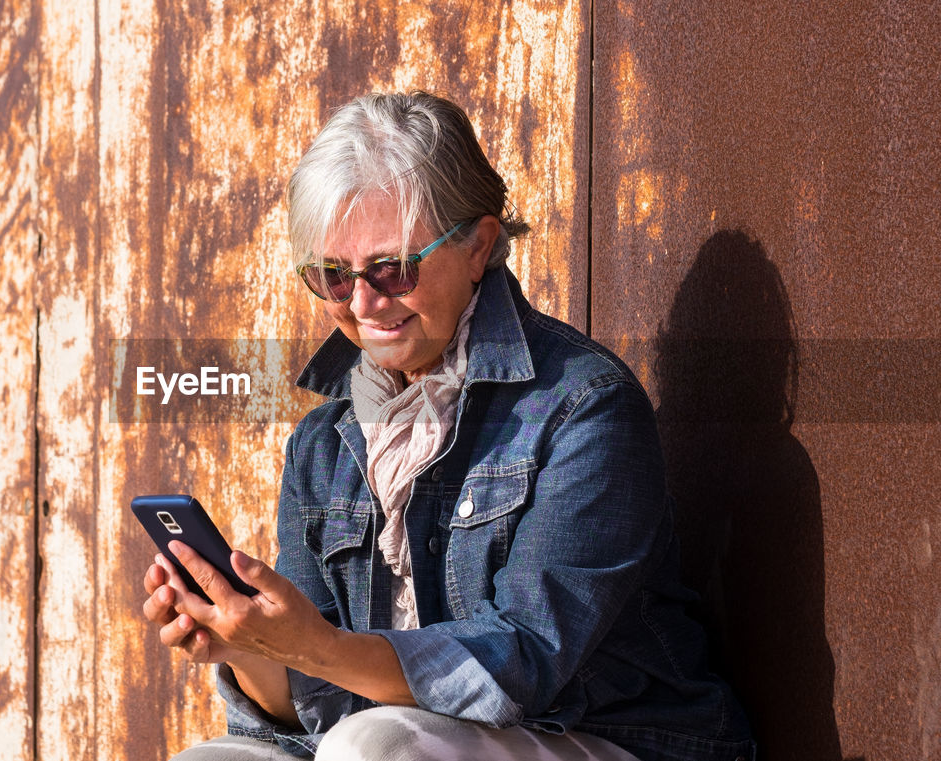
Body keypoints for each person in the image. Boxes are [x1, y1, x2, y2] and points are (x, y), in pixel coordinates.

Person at [141, 91, 755, 761]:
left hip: (605, 738)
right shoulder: (324, 445)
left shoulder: (583, 406)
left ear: (477, 245)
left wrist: (315, 645)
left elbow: (523, 662)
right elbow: (319, 704)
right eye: (332, 276)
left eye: (392, 267)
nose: (365, 302)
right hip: (391, 741)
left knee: (371, 747)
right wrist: (252, 648)